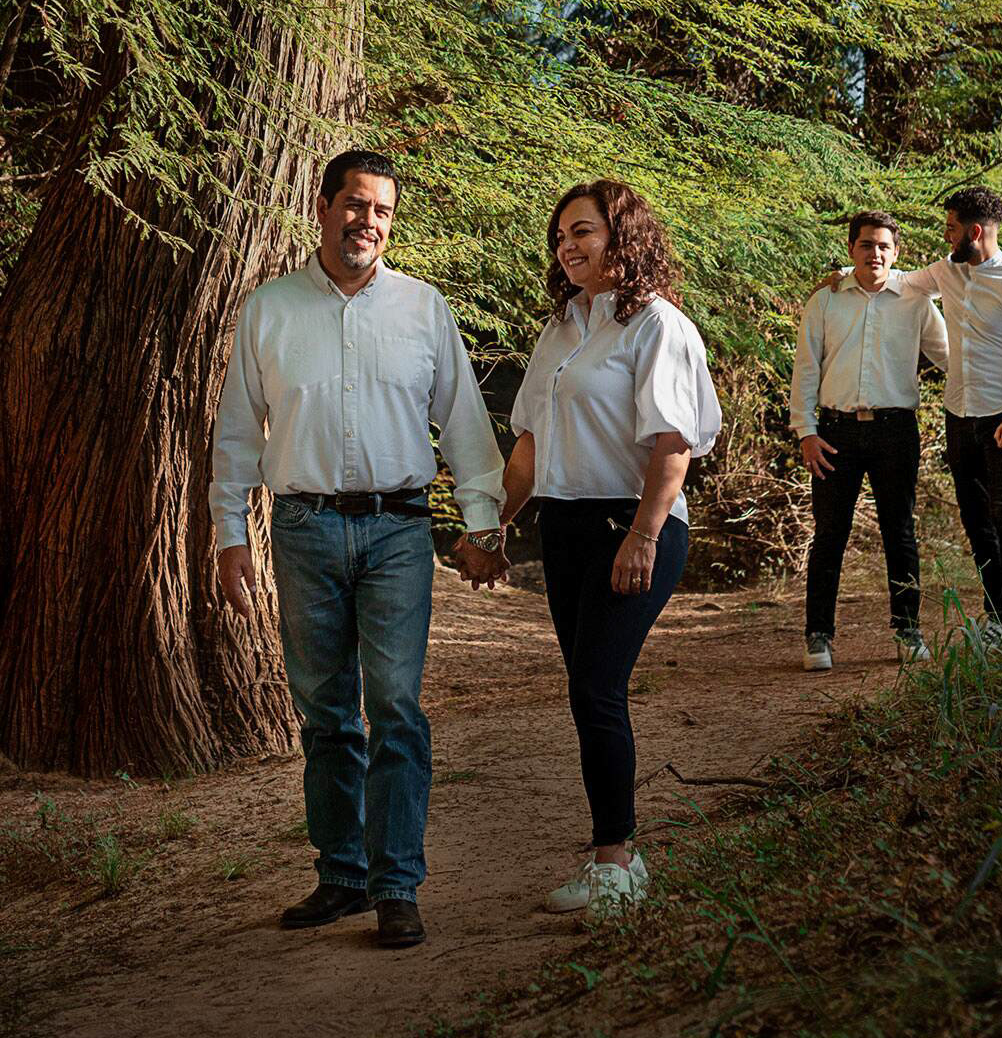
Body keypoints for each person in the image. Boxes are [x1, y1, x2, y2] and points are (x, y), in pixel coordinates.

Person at [210, 149, 507, 949]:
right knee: (325, 713)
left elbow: (466, 425)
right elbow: (236, 433)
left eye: (381, 210)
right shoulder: (269, 309)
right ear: (323, 206)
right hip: (302, 529)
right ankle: (341, 875)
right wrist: (230, 534)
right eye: (354, 204)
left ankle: (396, 885)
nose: (366, 221)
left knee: (396, 707)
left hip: (397, 532)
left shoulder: (422, 308)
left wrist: (483, 525)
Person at [500, 180, 722, 922]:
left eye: (584, 231)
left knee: (598, 688)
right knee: (586, 691)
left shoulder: (657, 324)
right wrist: (492, 527)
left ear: (623, 236)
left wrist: (644, 535)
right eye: (561, 235)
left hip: (633, 524)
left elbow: (673, 443)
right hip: (564, 528)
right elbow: (529, 446)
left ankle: (616, 864)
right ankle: (617, 856)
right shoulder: (562, 326)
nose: (568, 246)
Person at [832, 185, 1002, 644]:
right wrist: (842, 275)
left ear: (975, 232)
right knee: (975, 520)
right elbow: (902, 281)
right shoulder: (946, 271)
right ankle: (995, 616)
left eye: (951, 229)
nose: (946, 236)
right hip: (959, 417)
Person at [790, 210, 948, 671]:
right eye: (865, 245)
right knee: (829, 534)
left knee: (900, 531)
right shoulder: (825, 301)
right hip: (834, 432)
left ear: (896, 253)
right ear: (851, 249)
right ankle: (818, 635)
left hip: (895, 431)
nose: (874, 253)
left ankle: (907, 629)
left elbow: (949, 359)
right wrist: (806, 432)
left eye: (883, 246)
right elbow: (806, 369)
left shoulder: (915, 301)